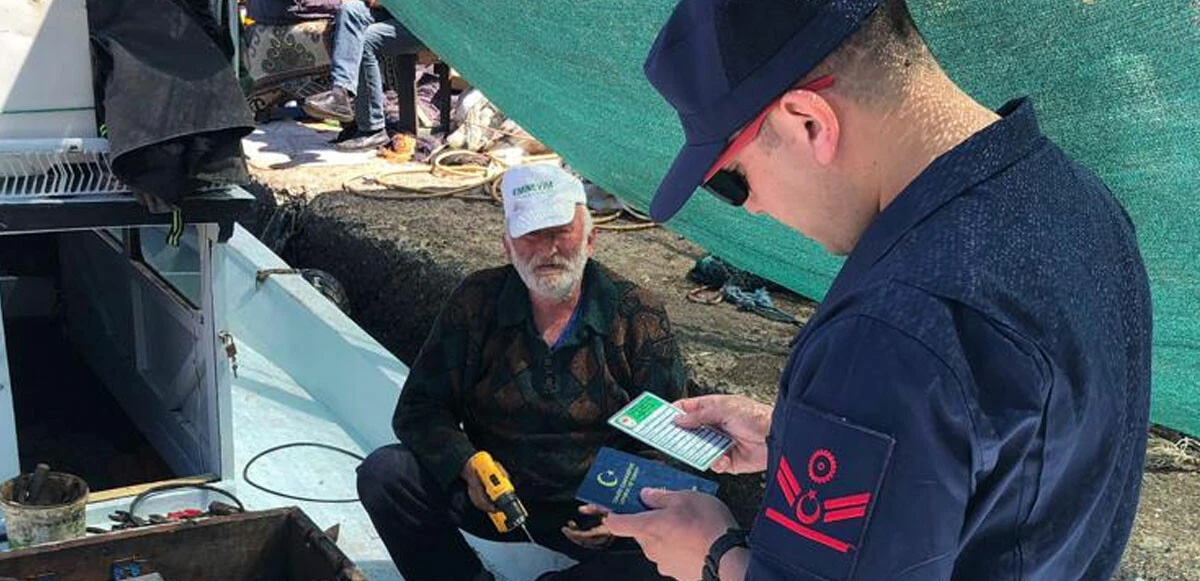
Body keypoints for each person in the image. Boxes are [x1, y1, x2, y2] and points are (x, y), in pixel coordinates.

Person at [603, 1, 1153, 581]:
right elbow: (1008, 461)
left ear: (807, 121)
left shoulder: (888, 333)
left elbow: (914, 376)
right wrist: (800, 437)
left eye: (732, 181)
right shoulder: (1079, 201)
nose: (756, 206)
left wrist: (715, 555)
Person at [356, 163, 686, 581]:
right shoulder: (476, 301)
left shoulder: (637, 313)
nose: (547, 249)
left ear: (591, 239)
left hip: (596, 514)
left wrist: (621, 506)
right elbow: (420, 409)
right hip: (494, 500)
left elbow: (675, 440)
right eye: (531, 234)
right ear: (507, 247)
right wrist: (467, 464)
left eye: (560, 232)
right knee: (386, 475)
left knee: (682, 545)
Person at [302, 0, 424, 151]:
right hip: (397, 13)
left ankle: (373, 129)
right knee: (349, 10)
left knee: (365, 40)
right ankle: (341, 93)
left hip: (425, 22)